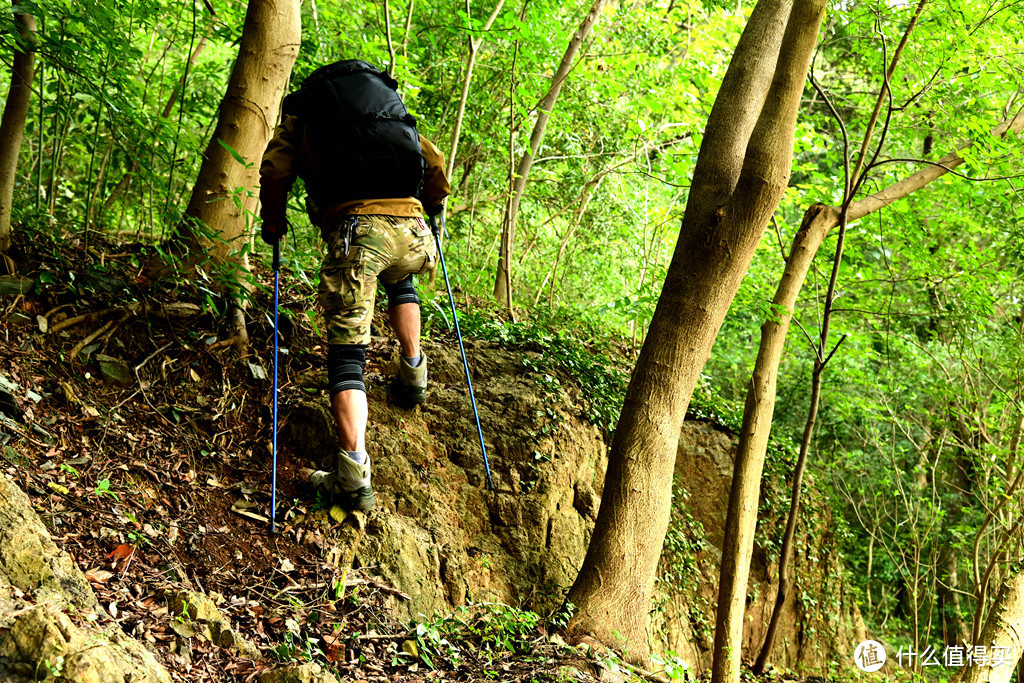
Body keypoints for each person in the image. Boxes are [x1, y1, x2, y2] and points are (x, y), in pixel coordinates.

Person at [258, 60, 450, 513]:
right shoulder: (385, 111)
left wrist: (273, 221)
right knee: (401, 281)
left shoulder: (304, 116)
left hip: (360, 231)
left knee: (347, 353)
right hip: (414, 229)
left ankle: (352, 477)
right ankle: (413, 373)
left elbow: (275, 170)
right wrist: (433, 205)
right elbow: (434, 161)